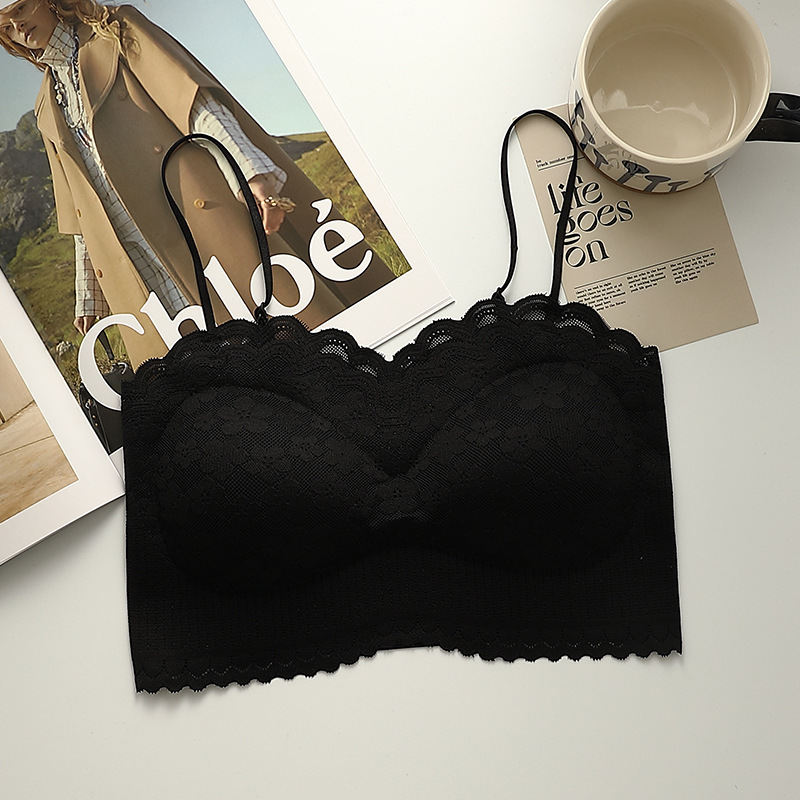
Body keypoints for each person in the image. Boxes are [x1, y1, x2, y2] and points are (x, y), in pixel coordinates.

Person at [0, 0, 396, 366]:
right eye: (4, 23)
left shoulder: (116, 30)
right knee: (217, 381)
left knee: (297, 341)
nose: (17, 26)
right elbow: (81, 212)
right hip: (141, 267)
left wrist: (251, 173)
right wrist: (89, 296)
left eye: (20, 8)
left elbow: (194, 104)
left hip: (196, 227)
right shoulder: (45, 106)